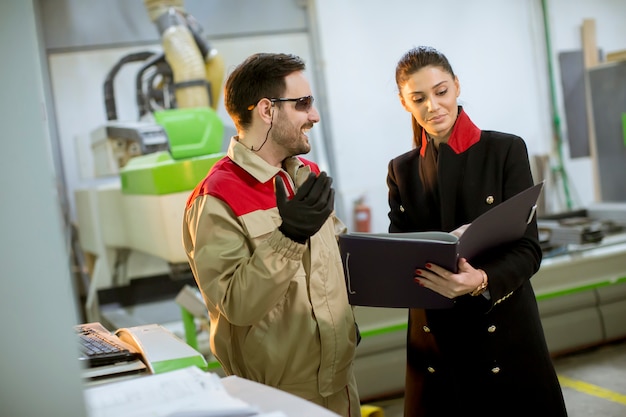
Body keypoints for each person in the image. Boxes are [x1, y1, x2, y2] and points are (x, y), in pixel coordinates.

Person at [386, 46, 568, 417]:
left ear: (456, 86)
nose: (433, 106)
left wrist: (482, 279)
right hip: (435, 342)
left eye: (441, 92)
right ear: (405, 103)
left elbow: (528, 250)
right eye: (418, 98)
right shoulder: (400, 170)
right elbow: (400, 253)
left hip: (501, 332)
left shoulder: (505, 150)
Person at [182, 52, 360, 417]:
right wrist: (289, 237)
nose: (314, 116)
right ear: (267, 110)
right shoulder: (217, 197)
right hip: (278, 398)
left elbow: (338, 260)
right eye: (303, 104)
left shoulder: (306, 175)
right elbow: (237, 305)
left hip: (340, 381)